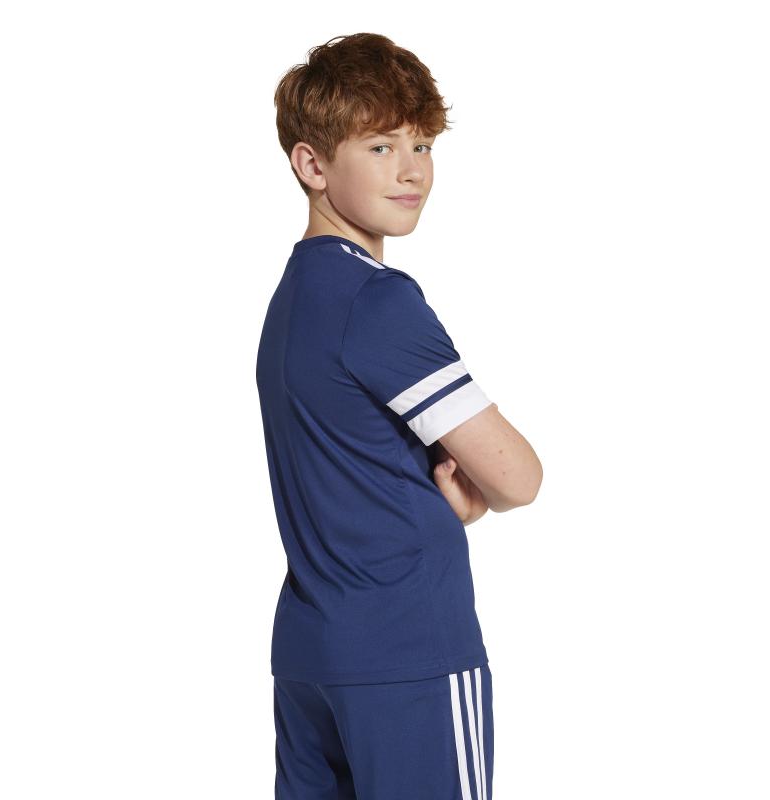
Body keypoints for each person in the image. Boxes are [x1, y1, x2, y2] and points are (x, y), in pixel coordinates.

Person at [256, 32, 543, 800]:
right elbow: (518, 478)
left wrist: (434, 499)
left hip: (314, 654)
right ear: (312, 164)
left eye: (422, 144)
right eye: (381, 146)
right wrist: (467, 501)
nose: (412, 169)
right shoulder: (378, 302)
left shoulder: (292, 303)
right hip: (407, 653)